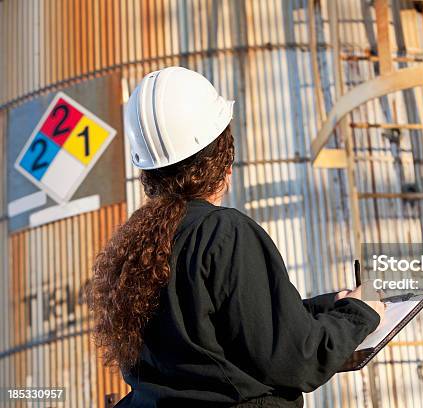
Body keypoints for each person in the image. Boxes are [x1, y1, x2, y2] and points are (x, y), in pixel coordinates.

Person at [86, 67, 385, 407]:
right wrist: (360, 312)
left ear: (149, 172)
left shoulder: (137, 247)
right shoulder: (222, 233)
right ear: (224, 158)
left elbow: (222, 332)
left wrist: (330, 306)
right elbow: (298, 360)